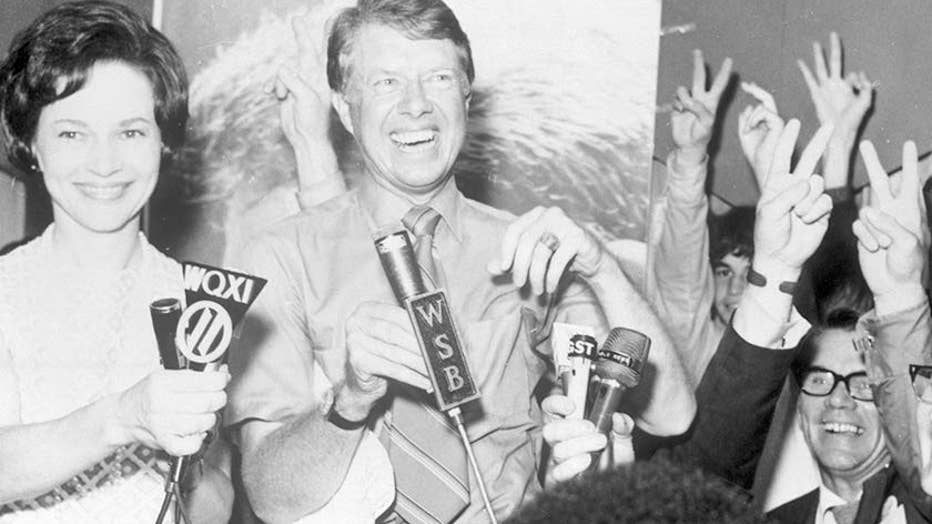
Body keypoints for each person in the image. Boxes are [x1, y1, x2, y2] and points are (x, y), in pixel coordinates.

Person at [225, 0, 695, 522]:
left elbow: (670, 413)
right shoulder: (281, 255)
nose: (416, 105)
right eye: (386, 83)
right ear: (343, 107)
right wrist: (349, 400)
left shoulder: (526, 251)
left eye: (440, 78)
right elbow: (271, 496)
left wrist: (601, 266)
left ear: (467, 96)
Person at [0, 2, 231, 522]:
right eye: (71, 133)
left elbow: (215, 504)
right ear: (29, 141)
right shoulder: (4, 294)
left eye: (130, 132)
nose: (104, 163)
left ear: (163, 141)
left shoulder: (200, 303)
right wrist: (124, 416)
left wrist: (188, 462)